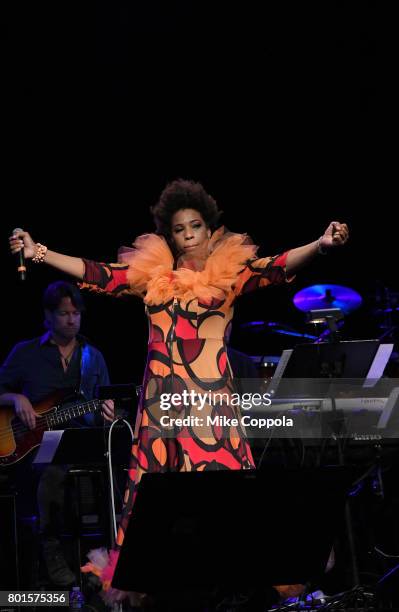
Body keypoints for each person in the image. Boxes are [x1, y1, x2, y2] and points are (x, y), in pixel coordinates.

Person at [9, 179, 349, 604]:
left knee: (226, 493)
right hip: (161, 405)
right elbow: (98, 272)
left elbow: (276, 266)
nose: (187, 236)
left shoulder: (231, 275)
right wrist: (40, 252)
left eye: (195, 227)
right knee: (160, 497)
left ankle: (230, 573)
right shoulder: (153, 278)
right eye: (179, 229)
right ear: (169, 235)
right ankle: (168, 580)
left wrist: (320, 244)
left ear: (210, 230)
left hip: (211, 405)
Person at [0, 281, 115, 587]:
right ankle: (50, 550)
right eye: (64, 313)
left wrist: (110, 412)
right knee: (50, 472)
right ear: (48, 316)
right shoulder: (25, 353)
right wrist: (15, 398)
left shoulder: (94, 356)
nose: (71, 320)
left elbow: (104, 403)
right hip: (35, 444)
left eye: (76, 313)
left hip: (84, 441)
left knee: (113, 474)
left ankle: (99, 561)